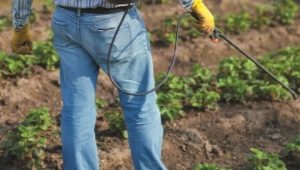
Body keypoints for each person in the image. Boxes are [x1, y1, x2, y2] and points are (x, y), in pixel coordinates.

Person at [11, 0, 214, 169]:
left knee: (76, 110)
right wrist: (193, 4)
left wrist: (20, 25)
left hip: (66, 21)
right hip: (113, 21)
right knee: (140, 106)